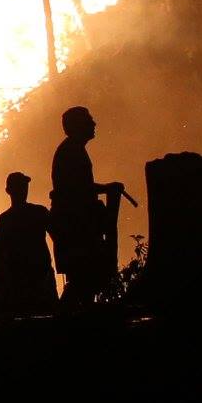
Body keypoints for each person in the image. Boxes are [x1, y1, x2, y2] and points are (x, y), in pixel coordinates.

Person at [49, 106, 126, 306]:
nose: (94, 123)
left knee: (84, 280)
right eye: (89, 120)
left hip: (75, 226)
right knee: (84, 280)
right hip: (75, 228)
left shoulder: (72, 150)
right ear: (77, 126)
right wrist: (107, 188)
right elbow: (78, 189)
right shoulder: (71, 152)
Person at [0, 172, 58, 319]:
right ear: (10, 190)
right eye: (21, 186)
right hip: (30, 278)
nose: (24, 189)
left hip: (27, 278)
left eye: (24, 186)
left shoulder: (6, 219)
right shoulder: (37, 212)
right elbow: (57, 234)